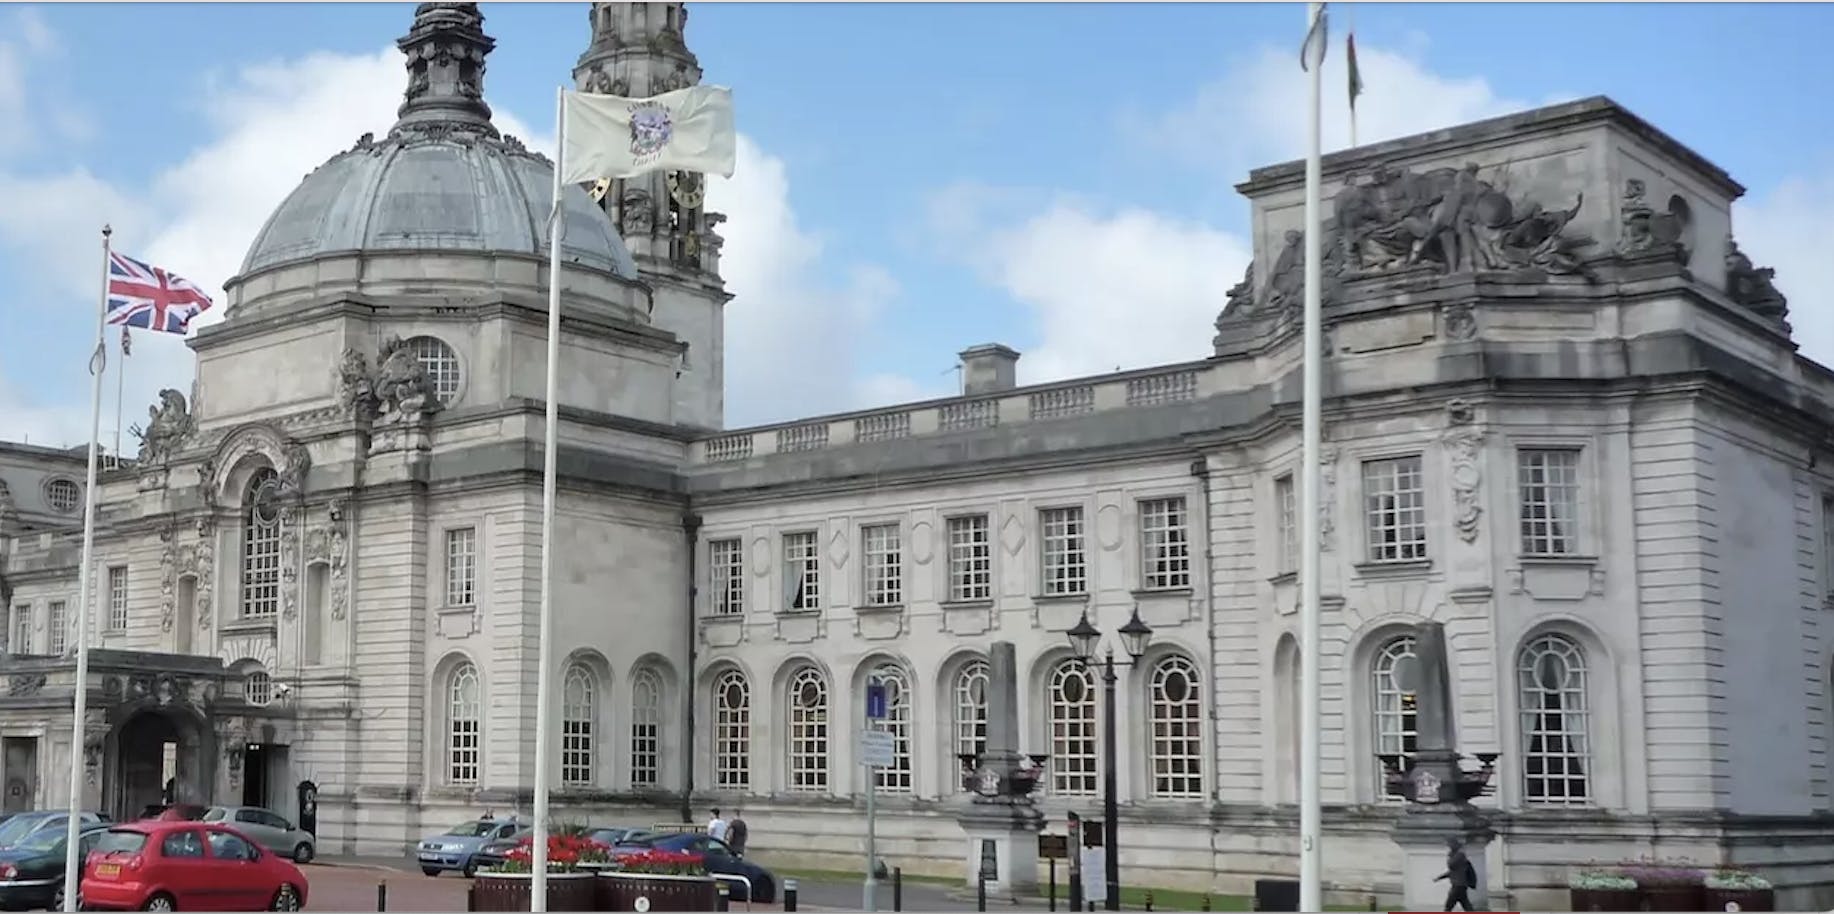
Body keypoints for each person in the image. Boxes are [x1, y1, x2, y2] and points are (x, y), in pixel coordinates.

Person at [1434, 837, 1477, 912]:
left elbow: (1450, 865)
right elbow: (1451, 872)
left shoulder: (1459, 856)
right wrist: (1439, 878)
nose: (1446, 848)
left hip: (1458, 885)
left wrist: (1450, 856)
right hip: (1461, 885)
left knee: (1449, 906)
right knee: (1466, 905)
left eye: (1448, 846)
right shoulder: (1458, 856)